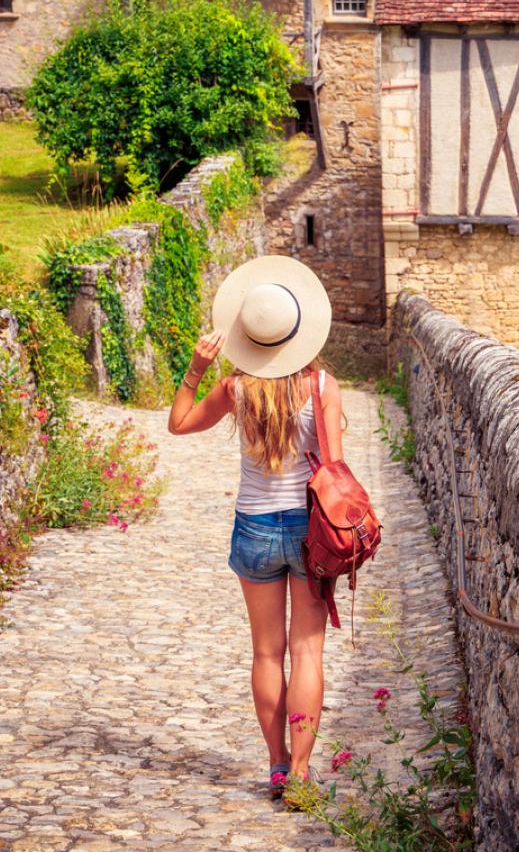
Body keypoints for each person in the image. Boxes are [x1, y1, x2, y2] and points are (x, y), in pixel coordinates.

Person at [167, 255, 342, 800]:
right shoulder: (322, 387)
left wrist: (196, 368)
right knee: (306, 653)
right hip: (310, 529)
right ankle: (305, 773)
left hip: (255, 528)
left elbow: (178, 423)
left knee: (266, 653)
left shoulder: (234, 390)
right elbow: (335, 471)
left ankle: (276, 764)